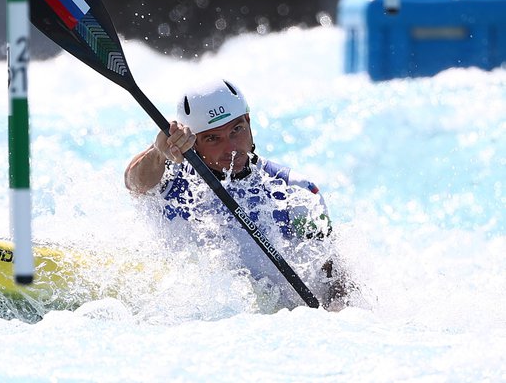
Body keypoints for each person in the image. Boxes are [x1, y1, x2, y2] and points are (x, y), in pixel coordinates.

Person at [124, 79, 349, 311]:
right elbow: (134, 184)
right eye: (213, 138)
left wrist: (337, 315)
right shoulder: (169, 179)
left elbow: (332, 272)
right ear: (194, 143)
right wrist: (158, 152)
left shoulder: (295, 192)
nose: (231, 148)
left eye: (237, 130)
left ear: (249, 122)